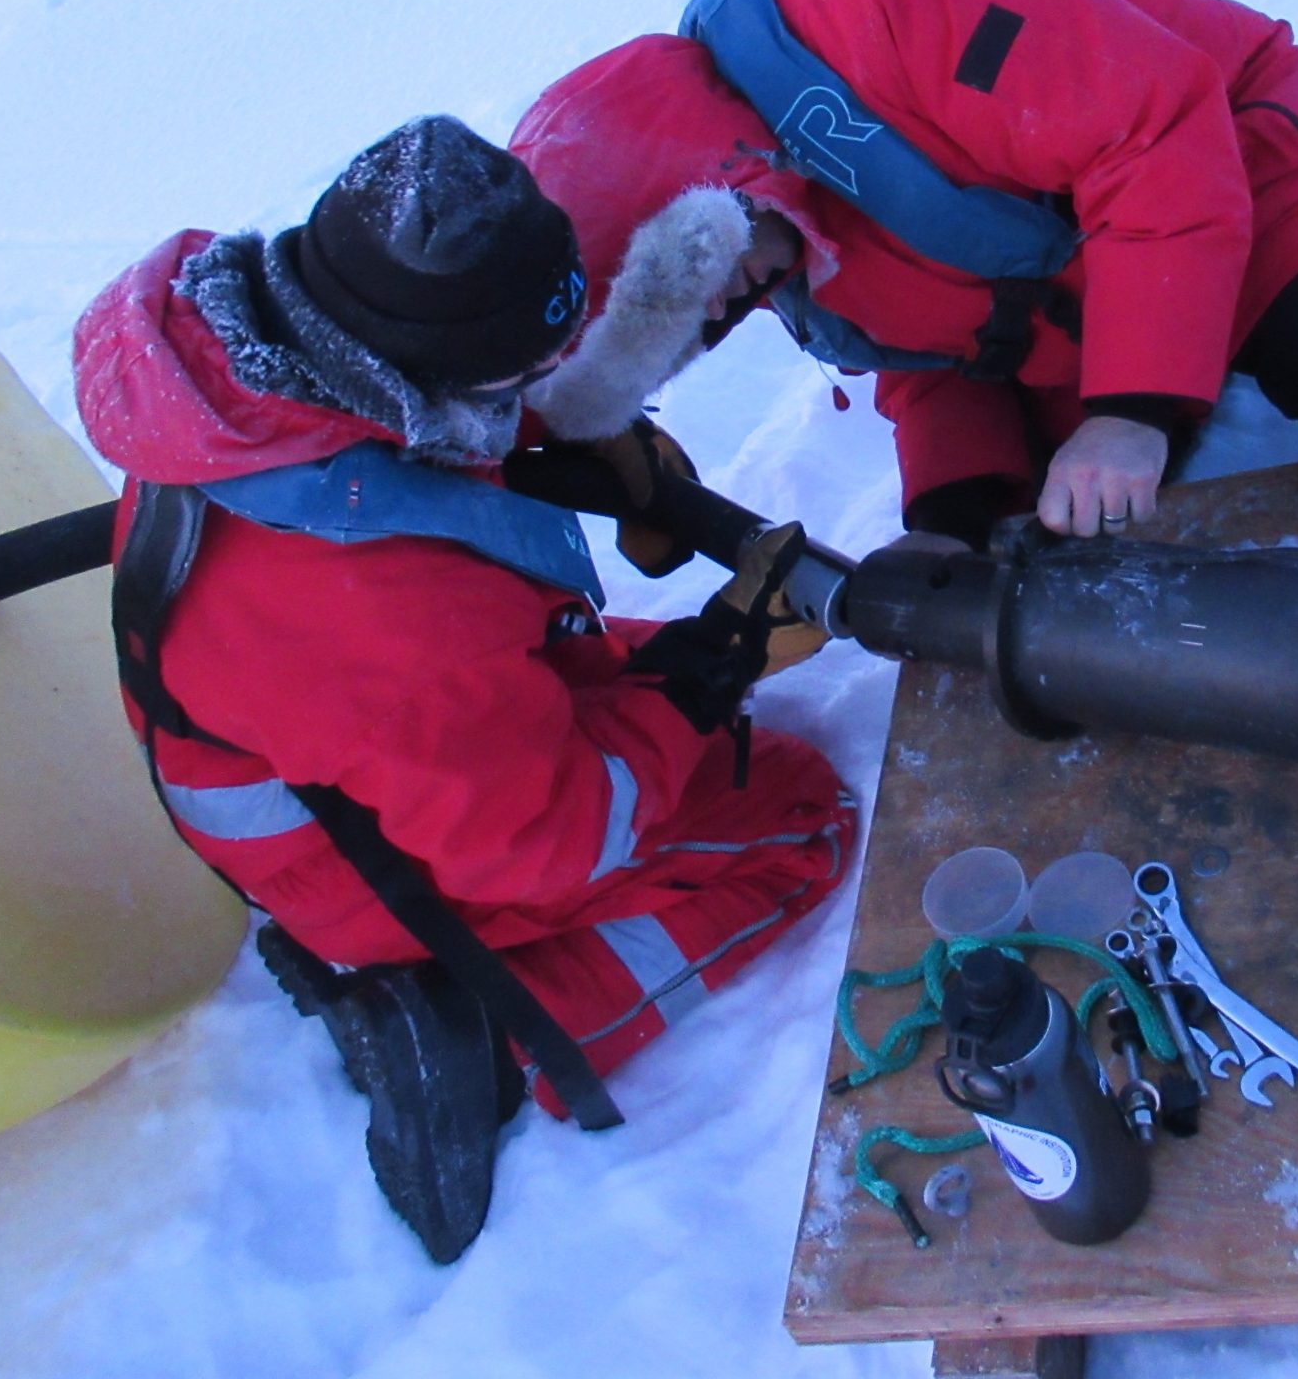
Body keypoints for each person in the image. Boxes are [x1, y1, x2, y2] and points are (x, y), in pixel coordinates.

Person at [71, 115, 854, 1263]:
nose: (536, 381)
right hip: (366, 862)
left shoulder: (256, 354)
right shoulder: (377, 610)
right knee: (792, 808)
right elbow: (552, 840)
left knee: (632, 687)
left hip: (332, 737)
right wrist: (709, 673)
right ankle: (493, 1026)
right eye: (519, 374)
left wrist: (584, 447)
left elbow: (416, 508)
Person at [509, 0, 1298, 546]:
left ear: (691, 213)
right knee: (1048, 542)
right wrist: (953, 518)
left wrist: (1132, 410)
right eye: (682, 338)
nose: (716, 319)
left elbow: (1157, 128)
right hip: (1093, 283)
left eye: (684, 301)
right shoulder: (771, 221)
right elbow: (929, 347)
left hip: (1237, 156)